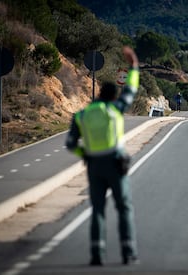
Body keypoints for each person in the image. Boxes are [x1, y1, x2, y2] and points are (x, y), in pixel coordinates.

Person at [65, 46, 140, 266]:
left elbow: (70, 144)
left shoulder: (82, 115)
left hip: (94, 165)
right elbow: (130, 91)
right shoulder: (115, 109)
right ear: (112, 96)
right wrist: (133, 66)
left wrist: (85, 153)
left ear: (98, 95)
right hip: (116, 163)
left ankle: (97, 254)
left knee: (97, 209)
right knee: (124, 207)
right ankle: (128, 251)